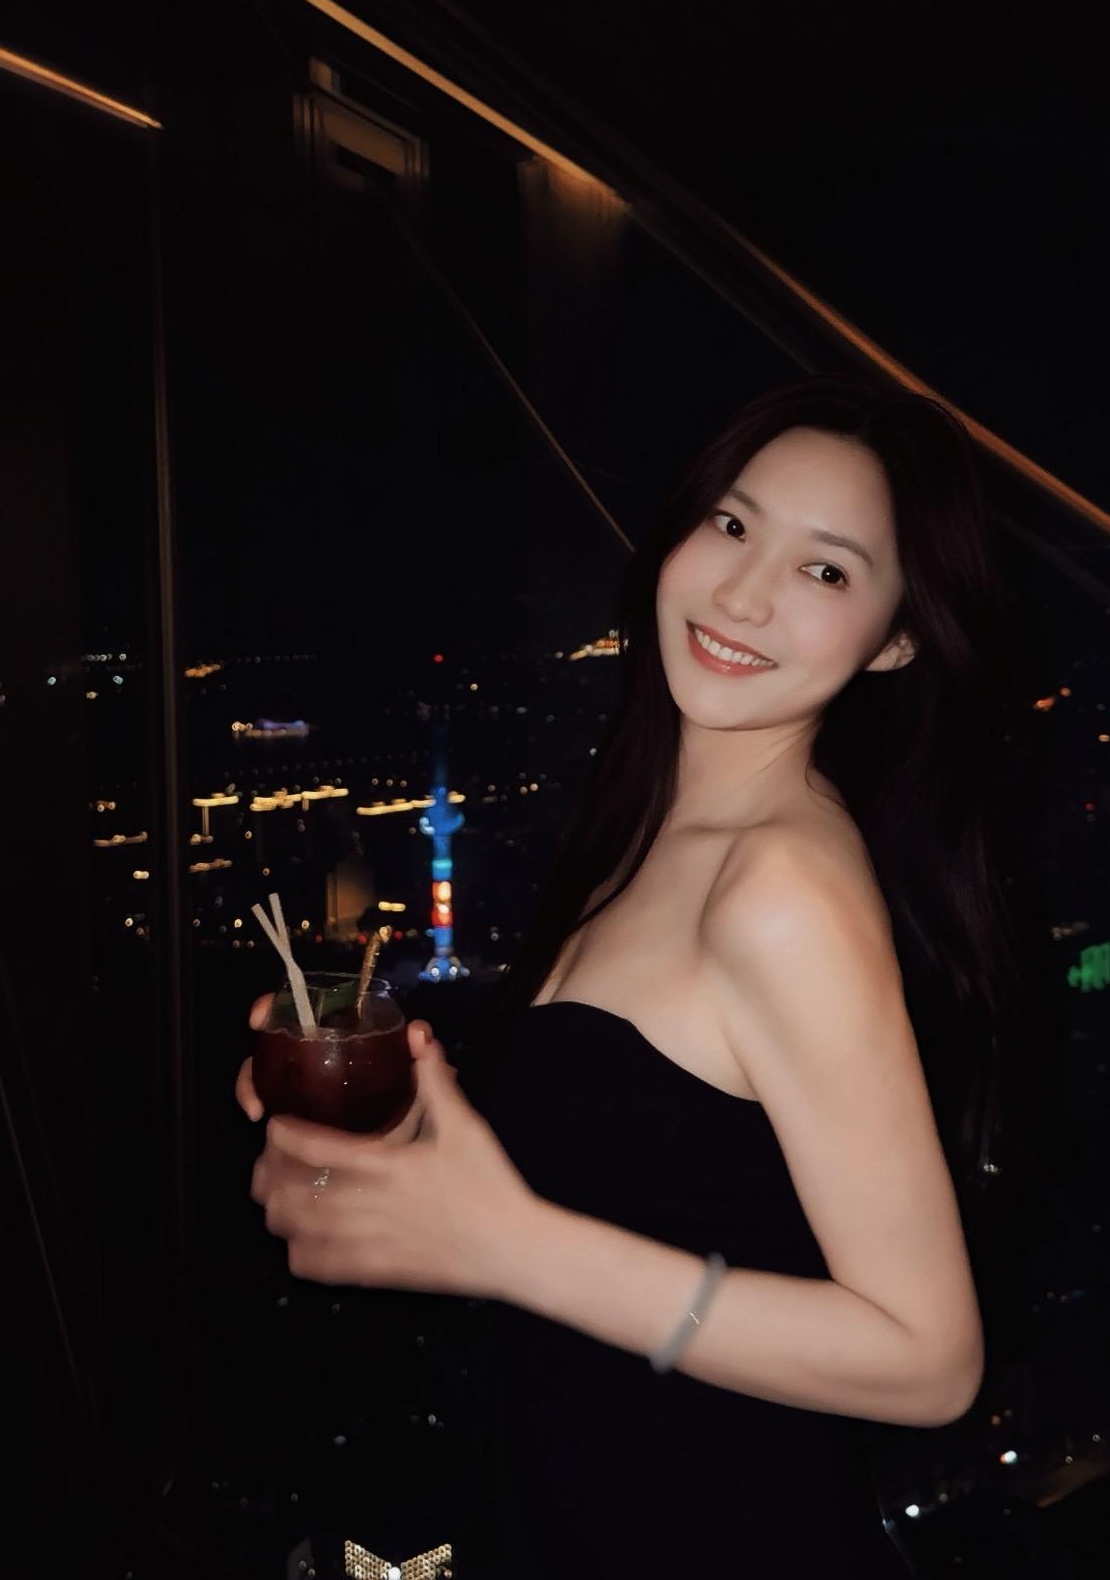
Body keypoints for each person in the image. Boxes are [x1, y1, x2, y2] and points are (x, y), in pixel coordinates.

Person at [235, 371, 1030, 1577]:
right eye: (733, 522)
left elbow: (929, 1360)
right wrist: (404, 1148)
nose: (744, 592)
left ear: (898, 638)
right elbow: (661, 1182)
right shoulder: (656, 828)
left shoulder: (781, 889)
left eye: (826, 570)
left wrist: (506, 1241)